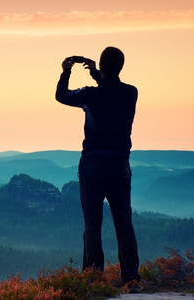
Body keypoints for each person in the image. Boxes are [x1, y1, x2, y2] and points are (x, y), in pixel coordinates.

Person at [55, 47, 141, 293]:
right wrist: (98, 73)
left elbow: (62, 95)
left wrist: (66, 71)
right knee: (124, 223)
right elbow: (111, 87)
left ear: (102, 67)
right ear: (121, 67)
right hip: (120, 167)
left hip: (93, 167)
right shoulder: (131, 93)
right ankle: (131, 278)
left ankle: (93, 278)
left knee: (92, 224)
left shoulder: (90, 96)